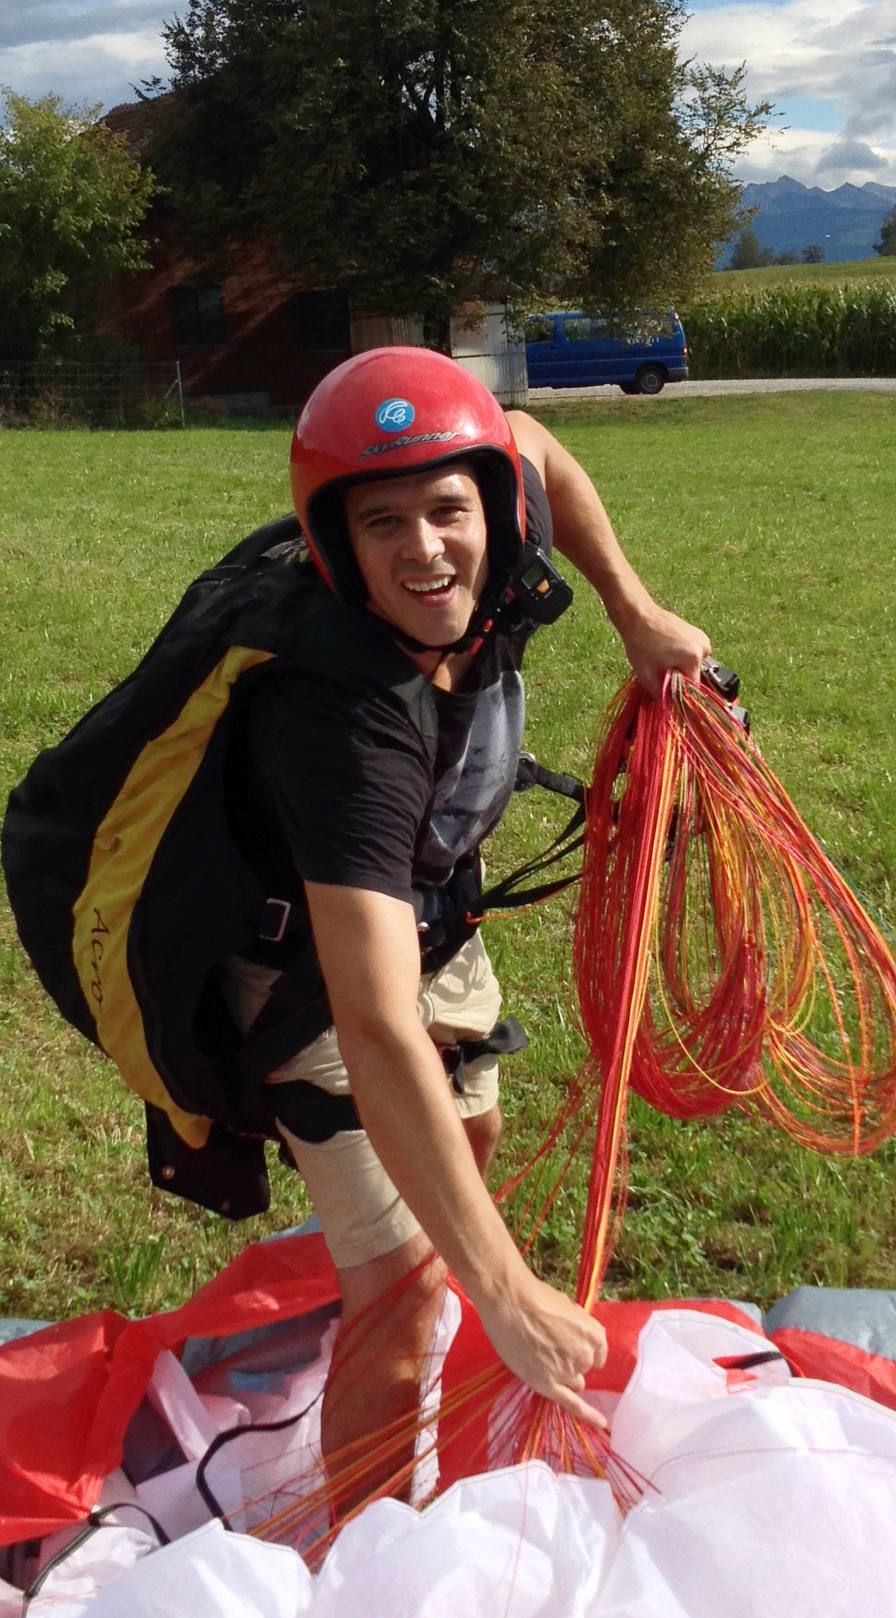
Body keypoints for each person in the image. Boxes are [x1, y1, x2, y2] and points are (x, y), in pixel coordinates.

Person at [220, 347, 711, 1500]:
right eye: (381, 522)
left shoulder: (500, 517)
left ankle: (424, 1295)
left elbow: (533, 437)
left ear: (492, 507)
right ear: (337, 543)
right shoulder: (340, 725)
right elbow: (377, 1026)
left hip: (434, 908)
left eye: (449, 508)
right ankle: (370, 1581)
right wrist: (507, 1293)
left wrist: (634, 614)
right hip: (307, 968)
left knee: (464, 1167)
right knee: (402, 1293)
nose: (426, 550)